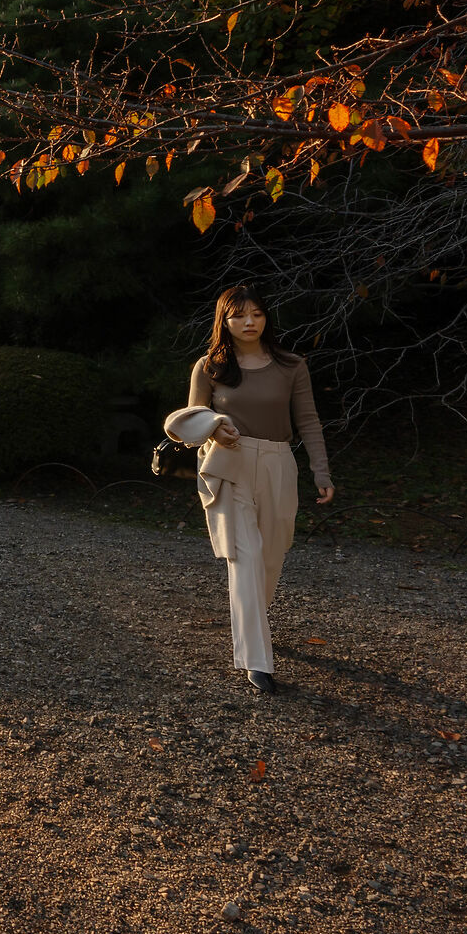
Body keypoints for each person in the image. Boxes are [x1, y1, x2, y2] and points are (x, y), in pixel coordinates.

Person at [160, 284, 332, 695]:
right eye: (239, 315)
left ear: (266, 317)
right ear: (225, 321)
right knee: (246, 556)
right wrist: (216, 425)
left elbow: (308, 421)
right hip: (227, 465)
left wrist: (320, 471)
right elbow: (192, 417)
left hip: (277, 463)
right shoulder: (210, 366)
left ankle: (253, 616)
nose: (249, 322)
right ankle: (256, 660)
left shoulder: (291, 364)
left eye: (256, 313)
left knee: (272, 554)